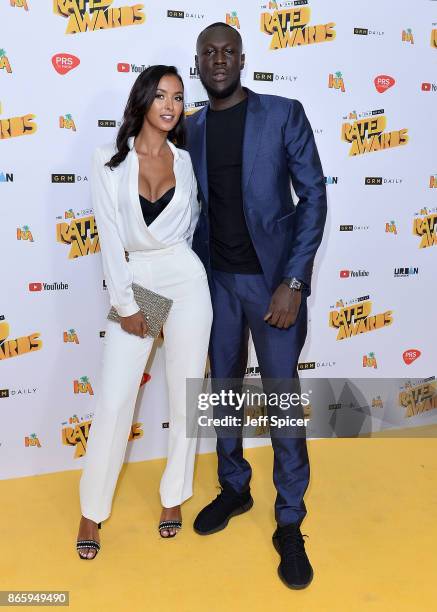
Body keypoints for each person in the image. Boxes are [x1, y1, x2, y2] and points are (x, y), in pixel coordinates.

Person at [185, 23, 327, 589]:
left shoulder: (283, 113)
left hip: (271, 286)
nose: (218, 61)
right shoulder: (190, 126)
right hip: (214, 281)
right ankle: (235, 487)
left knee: (282, 399)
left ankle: (289, 520)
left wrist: (294, 280)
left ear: (242, 59)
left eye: (227, 52)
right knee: (221, 389)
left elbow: (314, 195)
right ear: (196, 62)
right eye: (208, 54)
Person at [76, 65, 212, 559]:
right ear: (143, 101)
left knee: (184, 397)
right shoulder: (109, 162)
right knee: (114, 401)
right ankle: (92, 510)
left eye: (178, 96)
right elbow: (111, 240)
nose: (171, 104)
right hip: (138, 283)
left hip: (185, 277)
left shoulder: (184, 159)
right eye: (160, 95)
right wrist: (128, 305)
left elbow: (191, 224)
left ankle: (173, 496)